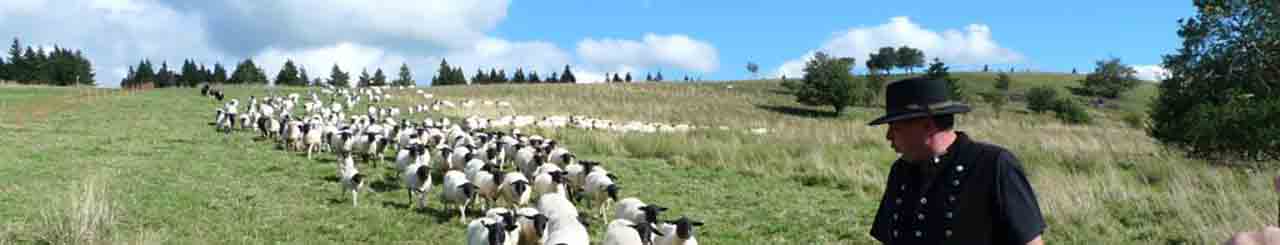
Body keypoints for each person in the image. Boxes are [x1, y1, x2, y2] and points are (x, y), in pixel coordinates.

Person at [867, 77, 1046, 244]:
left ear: (927, 125)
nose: (888, 136)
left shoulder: (994, 165)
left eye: (896, 128)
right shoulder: (901, 170)